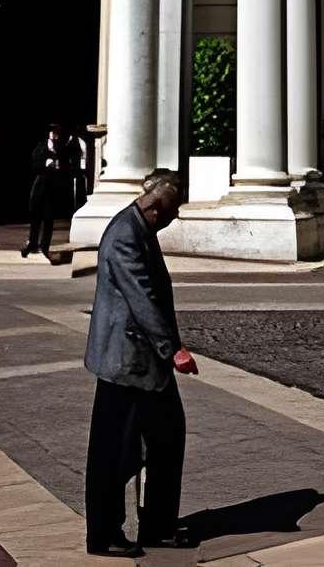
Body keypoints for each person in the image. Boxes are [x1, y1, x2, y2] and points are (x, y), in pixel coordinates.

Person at [83, 168, 193, 557]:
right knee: (114, 450)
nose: (174, 217)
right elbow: (142, 298)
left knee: (167, 437)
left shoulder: (137, 229)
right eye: (172, 209)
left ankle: (158, 526)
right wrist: (173, 349)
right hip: (126, 363)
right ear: (156, 207)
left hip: (142, 364)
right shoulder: (125, 235)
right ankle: (104, 532)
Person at [25, 126, 78, 259]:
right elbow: (34, 165)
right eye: (52, 132)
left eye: (56, 133)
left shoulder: (62, 148)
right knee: (35, 216)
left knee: (48, 218)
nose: (54, 135)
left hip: (53, 186)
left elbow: (67, 166)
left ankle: (44, 246)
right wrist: (45, 163)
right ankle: (32, 243)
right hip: (40, 183)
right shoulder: (41, 146)